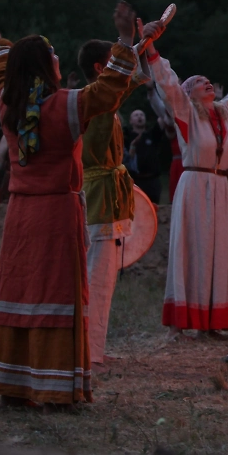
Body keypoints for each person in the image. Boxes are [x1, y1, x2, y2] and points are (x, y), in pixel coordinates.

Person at [0, 2, 157, 407]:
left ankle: (14, 383)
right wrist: (127, 41)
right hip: (57, 216)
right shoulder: (65, 107)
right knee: (58, 296)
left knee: (22, 294)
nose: (59, 59)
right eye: (53, 55)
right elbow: (109, 89)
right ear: (45, 67)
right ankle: (55, 388)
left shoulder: (8, 104)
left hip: (20, 217)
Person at [144, 27, 228, 334]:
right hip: (195, 189)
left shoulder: (225, 114)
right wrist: (152, 50)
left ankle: (215, 318)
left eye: (209, 81)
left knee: (219, 252)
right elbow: (167, 85)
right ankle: (190, 319)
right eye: (197, 82)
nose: (207, 81)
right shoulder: (187, 115)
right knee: (196, 249)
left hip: (220, 189)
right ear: (189, 94)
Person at [77, 34, 145, 364]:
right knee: (96, 278)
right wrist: (131, 44)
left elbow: (129, 84)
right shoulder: (95, 102)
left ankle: (93, 348)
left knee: (101, 278)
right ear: (100, 67)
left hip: (104, 196)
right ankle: (88, 352)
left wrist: (141, 46)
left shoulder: (99, 101)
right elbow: (123, 86)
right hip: (99, 198)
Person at [124, 108, 167, 204]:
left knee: (154, 209)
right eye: (136, 115)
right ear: (130, 121)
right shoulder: (126, 137)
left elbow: (163, 116)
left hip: (152, 181)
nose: (139, 116)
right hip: (135, 181)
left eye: (141, 115)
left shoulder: (152, 134)